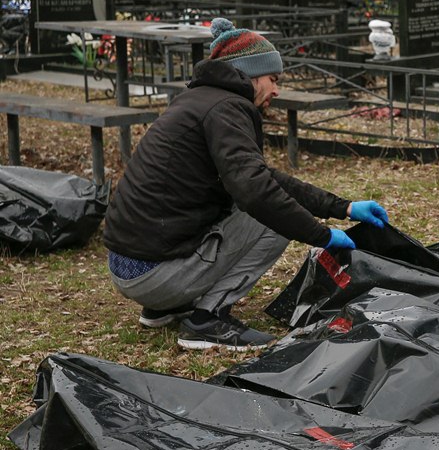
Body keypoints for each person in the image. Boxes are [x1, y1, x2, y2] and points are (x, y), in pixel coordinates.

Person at [103, 18, 391, 351]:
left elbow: (263, 177)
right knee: (272, 219)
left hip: (130, 266)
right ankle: (206, 320)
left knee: (265, 202)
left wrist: (344, 207)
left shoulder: (199, 100)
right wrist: (322, 236)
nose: (276, 90)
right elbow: (258, 193)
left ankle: (167, 307)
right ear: (250, 74)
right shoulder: (227, 108)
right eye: (273, 79)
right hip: (154, 274)